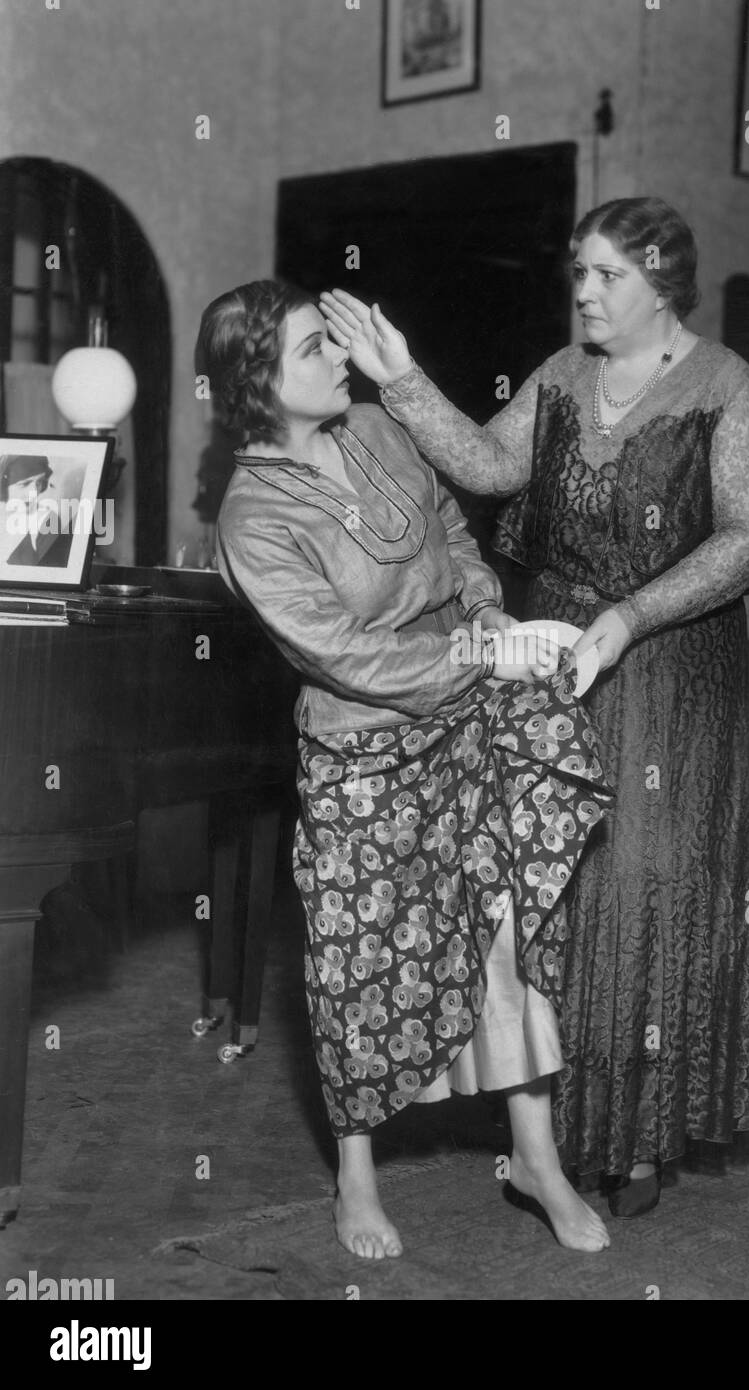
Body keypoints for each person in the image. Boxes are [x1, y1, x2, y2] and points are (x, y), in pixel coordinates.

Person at [320, 195, 749, 1218]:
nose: (581, 290)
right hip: (553, 653)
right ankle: (553, 1132)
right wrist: (400, 375)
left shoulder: (725, 385)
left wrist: (629, 614)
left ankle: (639, 1137)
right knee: (559, 885)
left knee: (654, 884)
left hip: (674, 664)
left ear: (660, 279)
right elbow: (489, 464)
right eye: (575, 269)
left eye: (604, 274)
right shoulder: (563, 374)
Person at [198, 280, 615, 1259]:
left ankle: (537, 1162)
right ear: (259, 382)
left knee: (505, 927)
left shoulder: (381, 428)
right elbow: (344, 654)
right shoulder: (249, 519)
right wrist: (475, 659)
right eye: (314, 348)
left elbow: (452, 531)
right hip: (361, 754)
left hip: (466, 721)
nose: (342, 359)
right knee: (361, 962)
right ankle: (355, 1176)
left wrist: (485, 614)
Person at [0, 454, 73, 568]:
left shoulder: (47, 520)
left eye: (38, 482)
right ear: (4, 486)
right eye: (24, 484)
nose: (34, 493)